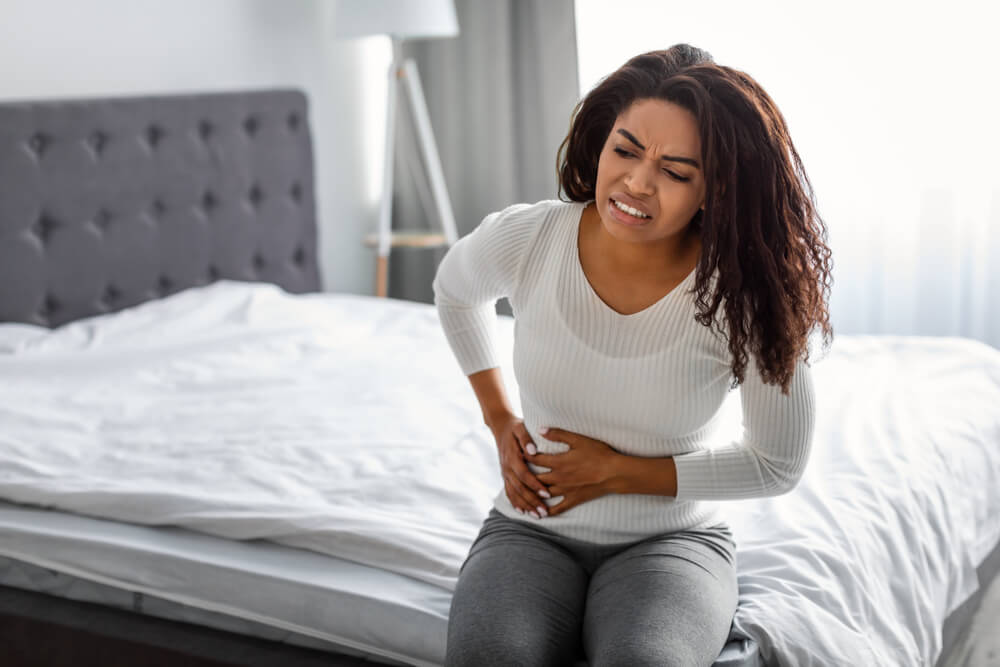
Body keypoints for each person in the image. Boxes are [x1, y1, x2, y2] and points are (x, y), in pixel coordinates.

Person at [432, 43, 833, 667]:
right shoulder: (530, 237)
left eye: (676, 171)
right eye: (625, 150)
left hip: (672, 543)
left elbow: (778, 463)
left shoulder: (742, 292)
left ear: (715, 189)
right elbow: (455, 294)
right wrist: (500, 419)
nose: (637, 183)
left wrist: (617, 472)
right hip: (528, 528)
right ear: (600, 144)